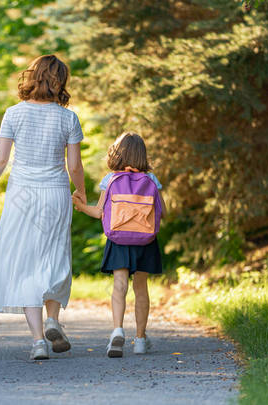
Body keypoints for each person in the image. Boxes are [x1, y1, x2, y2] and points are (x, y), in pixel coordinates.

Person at [0, 54, 86, 360]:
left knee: (26, 263)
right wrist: (82, 194)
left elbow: (0, 160)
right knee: (56, 256)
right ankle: (52, 319)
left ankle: (38, 341)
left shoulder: (14, 114)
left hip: (21, 194)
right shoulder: (68, 118)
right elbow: (74, 166)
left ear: (31, 76)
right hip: (55, 194)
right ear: (61, 81)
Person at [72, 132, 167, 357]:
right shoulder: (151, 180)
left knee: (119, 286)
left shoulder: (111, 178)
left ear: (117, 153)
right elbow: (162, 212)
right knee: (141, 289)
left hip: (119, 240)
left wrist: (80, 205)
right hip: (145, 240)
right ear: (142, 155)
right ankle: (141, 340)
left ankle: (117, 331)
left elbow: (98, 212)